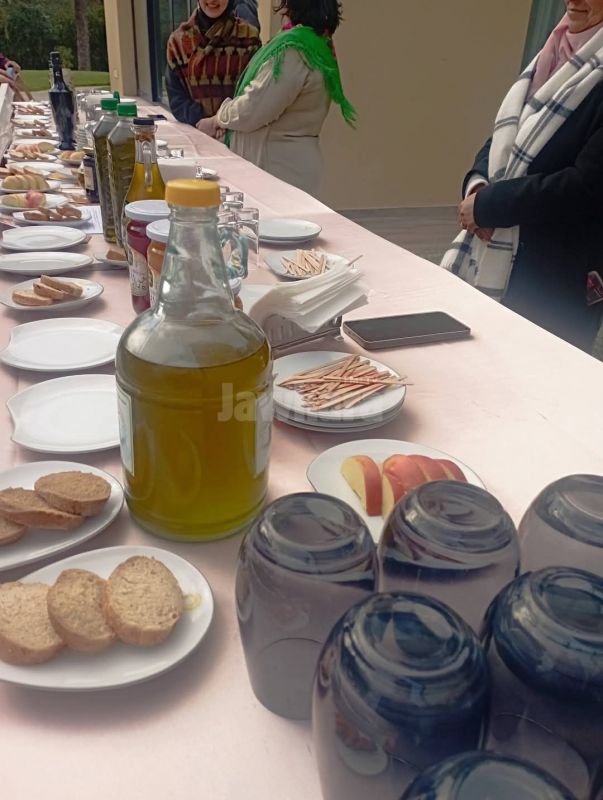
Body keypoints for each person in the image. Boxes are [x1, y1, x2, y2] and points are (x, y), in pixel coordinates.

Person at [441, 0, 603, 353]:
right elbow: (506, 135)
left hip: (558, 276)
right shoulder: (554, 51)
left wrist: (490, 206)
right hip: (506, 248)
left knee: (537, 371)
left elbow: (587, 187)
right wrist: (478, 185)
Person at [201, 0, 355, 198]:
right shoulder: (317, 44)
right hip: (289, 168)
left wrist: (218, 118)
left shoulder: (294, 50)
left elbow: (252, 109)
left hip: (278, 173)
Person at [165, 0, 261, 129]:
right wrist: (203, 121)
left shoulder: (249, 38)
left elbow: (254, 91)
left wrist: (220, 122)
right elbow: (177, 99)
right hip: (197, 131)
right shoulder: (178, 42)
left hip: (237, 131)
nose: (212, 0)